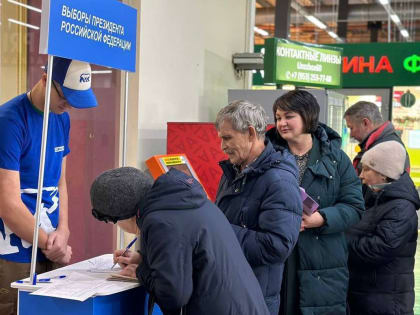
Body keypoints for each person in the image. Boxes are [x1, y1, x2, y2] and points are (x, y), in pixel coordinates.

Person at [90, 166, 270, 315]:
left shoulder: (159, 222)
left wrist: (141, 272)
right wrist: (145, 259)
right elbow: (191, 257)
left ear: (123, 215)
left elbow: (173, 296)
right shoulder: (182, 201)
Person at [0, 57, 98, 314]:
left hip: (50, 248)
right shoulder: (9, 121)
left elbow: (60, 182)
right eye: (65, 97)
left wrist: (63, 231)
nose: (68, 106)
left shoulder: (61, 118)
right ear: (45, 79)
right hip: (15, 255)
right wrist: (51, 245)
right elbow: (8, 204)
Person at [265, 90, 364, 315]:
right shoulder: (268, 158)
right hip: (279, 255)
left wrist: (321, 219)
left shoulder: (336, 159)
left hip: (323, 262)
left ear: (307, 116)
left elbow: (355, 206)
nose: (282, 123)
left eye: (288, 116)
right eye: (278, 117)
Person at [215, 100, 302, 315]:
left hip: (253, 300)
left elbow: (277, 246)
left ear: (251, 133)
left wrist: (218, 231)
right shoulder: (234, 171)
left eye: (227, 138)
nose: (222, 146)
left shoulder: (278, 180)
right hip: (229, 293)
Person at [347, 141, 420, 315]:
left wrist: (342, 242)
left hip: (386, 303)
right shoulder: (375, 198)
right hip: (369, 297)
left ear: (384, 174)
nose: (361, 176)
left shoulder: (401, 207)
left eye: (367, 169)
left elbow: (379, 249)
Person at [343, 101, 410, 175]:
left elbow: (381, 185)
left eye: (351, 128)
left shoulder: (387, 148)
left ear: (365, 123)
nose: (351, 135)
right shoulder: (379, 143)